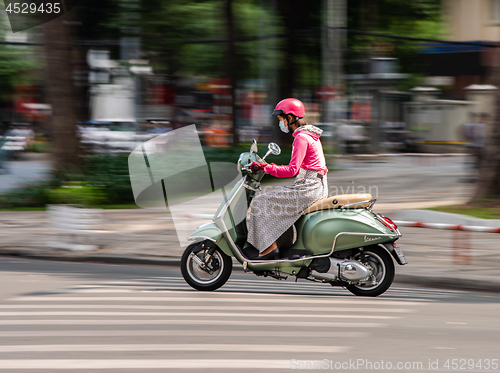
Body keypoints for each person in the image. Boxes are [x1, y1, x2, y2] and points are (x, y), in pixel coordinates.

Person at [247, 98, 329, 259]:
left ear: (290, 118)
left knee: (260, 202)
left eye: (281, 120)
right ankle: (282, 245)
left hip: (309, 188)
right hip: (314, 185)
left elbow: (292, 170)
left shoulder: (301, 138)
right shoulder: (309, 135)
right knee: (275, 204)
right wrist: (268, 167)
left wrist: (266, 167)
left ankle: (269, 248)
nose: (281, 124)